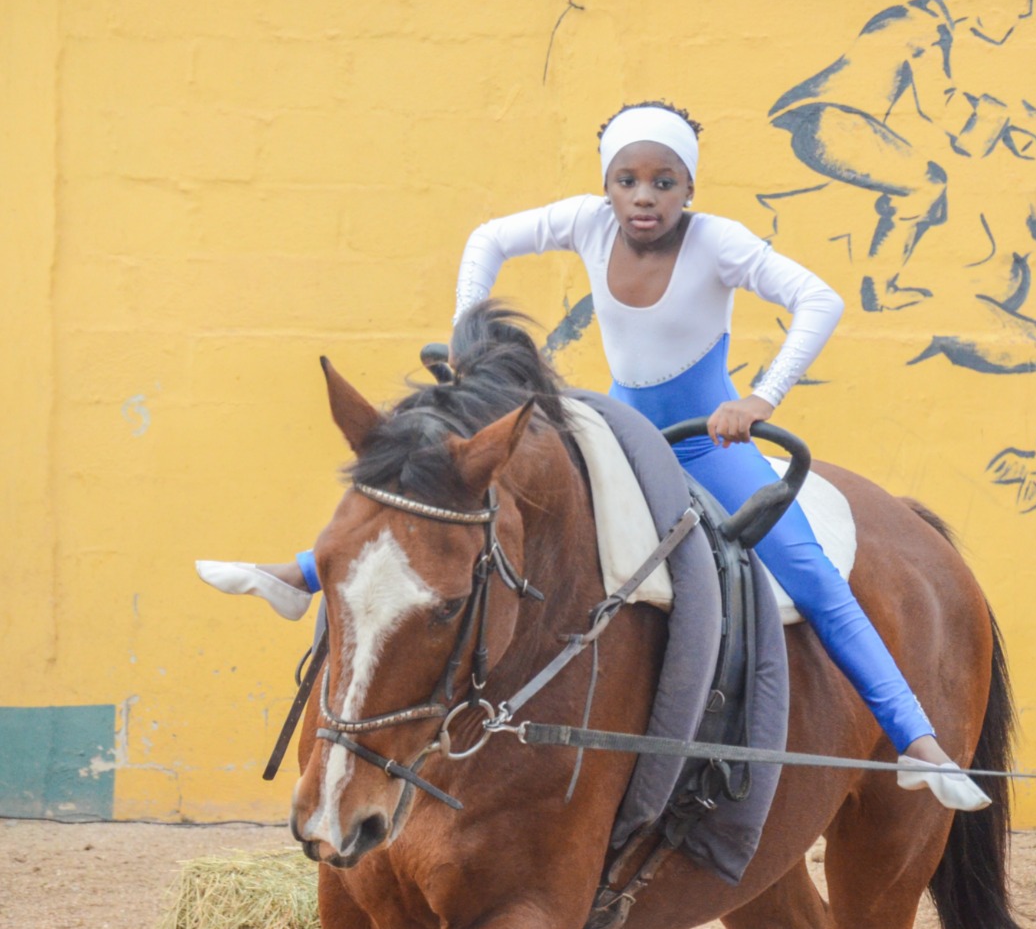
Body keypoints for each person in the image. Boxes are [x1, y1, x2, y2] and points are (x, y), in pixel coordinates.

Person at [197, 101, 989, 810]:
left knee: (811, 571)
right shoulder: (586, 222)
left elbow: (821, 299)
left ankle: (916, 740)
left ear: (689, 189)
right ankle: (302, 573)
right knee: (476, 510)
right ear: (608, 186)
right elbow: (488, 238)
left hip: (704, 442)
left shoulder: (721, 243)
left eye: (664, 182)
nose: (644, 197)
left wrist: (759, 400)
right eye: (628, 180)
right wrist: (469, 338)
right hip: (612, 421)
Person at [769, 0, 1036, 311]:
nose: (1017, 20)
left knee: (926, 184)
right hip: (834, 125)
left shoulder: (920, 15)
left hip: (830, 123)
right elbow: (939, 103)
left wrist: (1001, 132)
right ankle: (880, 291)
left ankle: (882, 285)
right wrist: (997, 122)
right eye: (1017, 9)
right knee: (926, 186)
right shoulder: (926, 29)